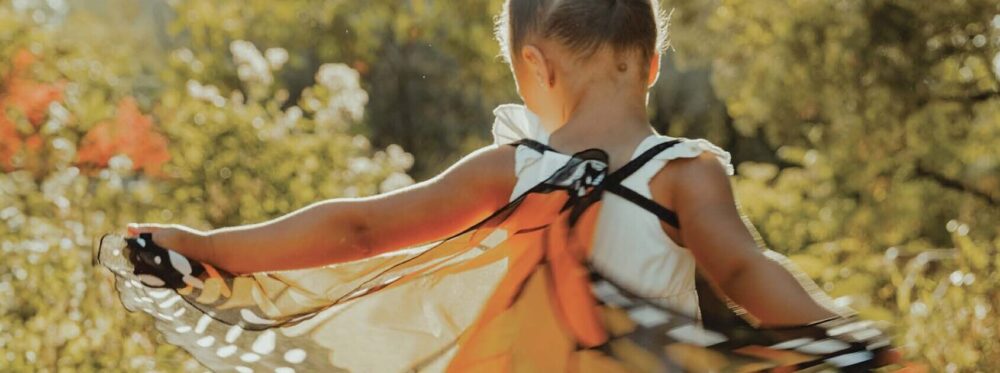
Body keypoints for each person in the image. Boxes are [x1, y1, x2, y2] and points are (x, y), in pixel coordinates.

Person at [99, 0, 899, 371]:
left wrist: (212, 247)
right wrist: (847, 338)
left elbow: (359, 230)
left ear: (534, 68)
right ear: (652, 65)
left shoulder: (516, 169)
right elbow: (747, 270)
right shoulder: (684, 171)